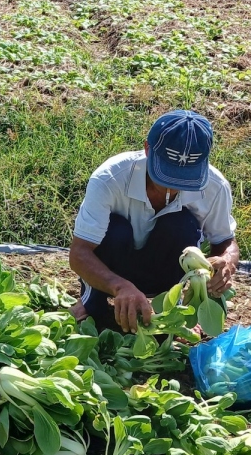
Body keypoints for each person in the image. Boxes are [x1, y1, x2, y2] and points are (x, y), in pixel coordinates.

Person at [69, 110, 239, 333]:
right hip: (113, 269)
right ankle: (93, 303)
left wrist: (226, 261)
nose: (173, 186)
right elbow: (79, 253)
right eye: (166, 174)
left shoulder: (215, 186)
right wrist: (119, 286)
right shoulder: (110, 179)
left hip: (166, 270)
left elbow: (226, 240)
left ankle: (172, 308)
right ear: (148, 149)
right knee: (116, 230)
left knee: (182, 225)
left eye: (185, 177)